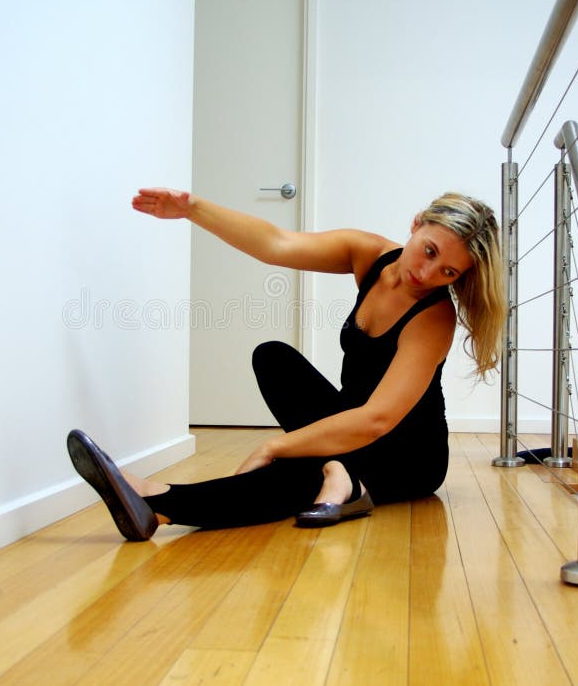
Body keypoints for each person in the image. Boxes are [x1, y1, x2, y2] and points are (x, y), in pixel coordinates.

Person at [66, 188, 506, 541]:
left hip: (407, 453)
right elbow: (277, 244)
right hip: (352, 425)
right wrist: (193, 209)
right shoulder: (371, 255)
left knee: (296, 469)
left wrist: (275, 446)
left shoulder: (434, 317)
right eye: (429, 251)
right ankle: (342, 476)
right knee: (273, 358)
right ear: (415, 225)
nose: (428, 274)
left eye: (449, 272)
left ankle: (159, 501)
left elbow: (377, 419)